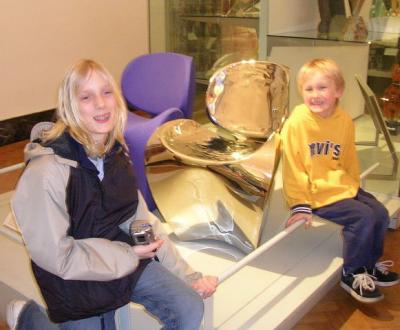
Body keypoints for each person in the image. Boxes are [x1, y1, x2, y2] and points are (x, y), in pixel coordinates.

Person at [9, 59, 218, 329]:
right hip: (74, 276)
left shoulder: (116, 153)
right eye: (86, 97)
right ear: (69, 107)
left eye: (106, 92)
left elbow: (143, 222)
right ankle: (31, 319)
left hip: (123, 258)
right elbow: (57, 256)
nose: (100, 104)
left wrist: (189, 277)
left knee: (189, 307)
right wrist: (129, 255)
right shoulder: (46, 171)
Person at [281, 58, 399, 303]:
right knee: (362, 217)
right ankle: (353, 272)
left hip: (341, 185)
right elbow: (292, 166)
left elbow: (348, 158)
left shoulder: (344, 120)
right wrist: (299, 203)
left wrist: (355, 187)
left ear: (338, 91)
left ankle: (369, 265)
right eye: (308, 89)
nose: (315, 95)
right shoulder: (296, 123)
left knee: (379, 213)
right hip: (314, 192)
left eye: (322, 88)